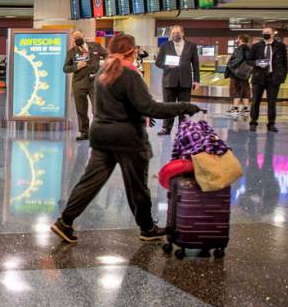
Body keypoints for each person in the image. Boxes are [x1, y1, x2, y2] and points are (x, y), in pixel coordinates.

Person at [51, 34, 201, 244]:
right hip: (128, 138)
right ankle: (147, 229)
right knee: (138, 186)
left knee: (89, 182)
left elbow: (119, 103)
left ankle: (64, 222)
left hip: (102, 135)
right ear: (131, 51)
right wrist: (184, 106)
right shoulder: (129, 74)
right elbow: (150, 107)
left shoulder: (104, 70)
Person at [154, 25, 200, 135]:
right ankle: (166, 128)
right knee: (168, 106)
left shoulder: (191, 46)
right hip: (169, 81)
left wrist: (197, 80)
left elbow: (195, 64)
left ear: (183, 34)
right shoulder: (165, 46)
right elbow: (158, 62)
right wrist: (167, 66)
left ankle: (183, 129)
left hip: (185, 81)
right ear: (171, 35)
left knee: (184, 106)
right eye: (173, 33)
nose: (176, 35)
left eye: (178, 33)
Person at [64, 30, 108, 141]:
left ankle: (98, 131)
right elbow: (65, 68)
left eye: (79, 36)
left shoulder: (95, 46)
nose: (77, 38)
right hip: (79, 83)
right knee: (81, 109)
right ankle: (84, 132)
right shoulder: (71, 52)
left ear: (83, 35)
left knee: (96, 108)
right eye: (75, 38)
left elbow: (107, 55)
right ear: (73, 41)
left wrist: (103, 67)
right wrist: (76, 66)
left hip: (94, 82)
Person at [249, 26, 288, 132]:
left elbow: (285, 63)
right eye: (264, 32)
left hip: (273, 78)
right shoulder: (256, 46)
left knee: (272, 102)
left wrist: (282, 76)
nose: (266, 34)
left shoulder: (280, 46)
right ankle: (253, 122)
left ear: (273, 34)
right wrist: (257, 63)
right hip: (258, 77)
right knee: (255, 101)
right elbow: (249, 60)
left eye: (268, 32)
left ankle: (271, 123)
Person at [225, 34, 252, 115]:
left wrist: (229, 63)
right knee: (245, 90)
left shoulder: (240, 48)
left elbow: (237, 60)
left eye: (237, 38)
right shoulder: (249, 48)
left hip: (236, 73)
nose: (236, 40)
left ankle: (235, 108)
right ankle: (246, 108)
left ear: (240, 39)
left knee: (235, 89)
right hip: (245, 73)